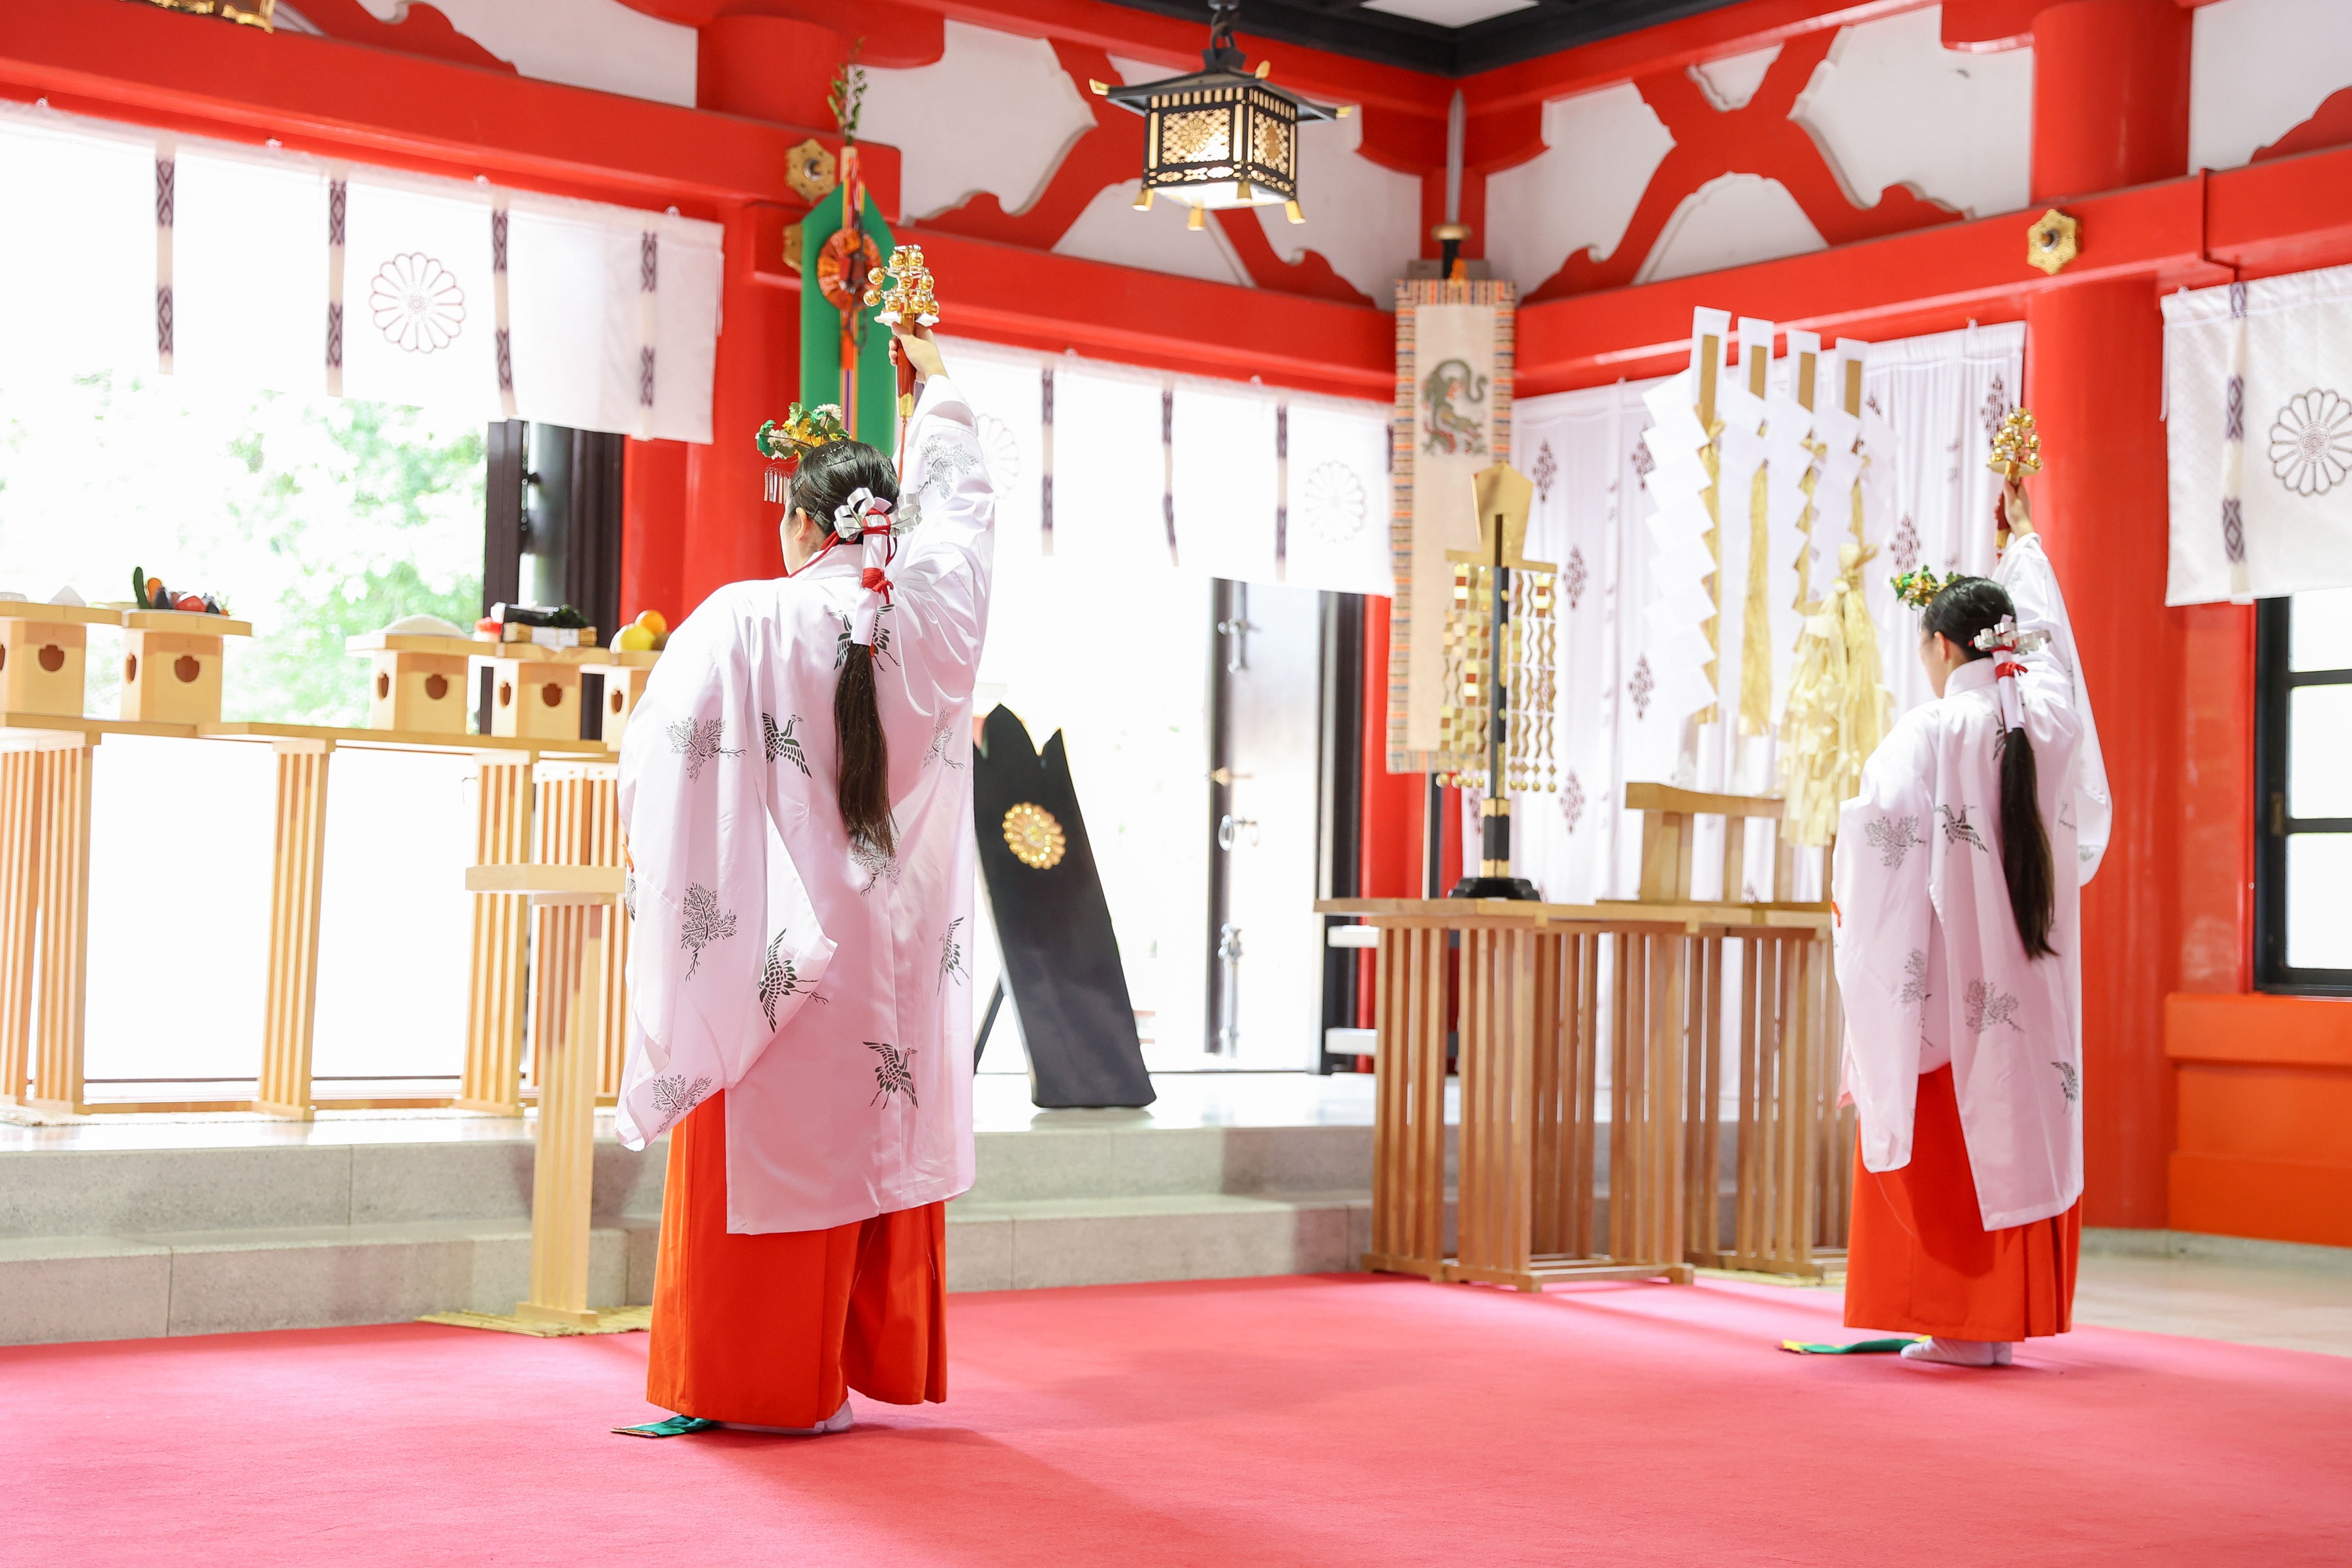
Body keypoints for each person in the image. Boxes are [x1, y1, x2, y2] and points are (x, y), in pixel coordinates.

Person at [609, 323, 992, 1435]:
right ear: (882, 528)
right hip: (892, 952)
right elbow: (964, 526)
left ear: (801, 521)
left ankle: (765, 1383)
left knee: (765, 1148)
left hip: (780, 943)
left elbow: (657, 763)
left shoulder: (742, 617)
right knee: (867, 1138)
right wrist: (939, 397)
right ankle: (848, 1365)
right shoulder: (928, 625)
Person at [1831, 478, 2108, 1368]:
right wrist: (2025, 539)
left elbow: (1874, 833)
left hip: (1951, 984)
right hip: (2034, 981)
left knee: (1946, 1127)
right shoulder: (2049, 718)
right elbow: (2051, 648)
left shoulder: (1933, 730)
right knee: (2020, 1124)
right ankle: (2003, 1323)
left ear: (1944, 646)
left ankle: (1958, 1323)